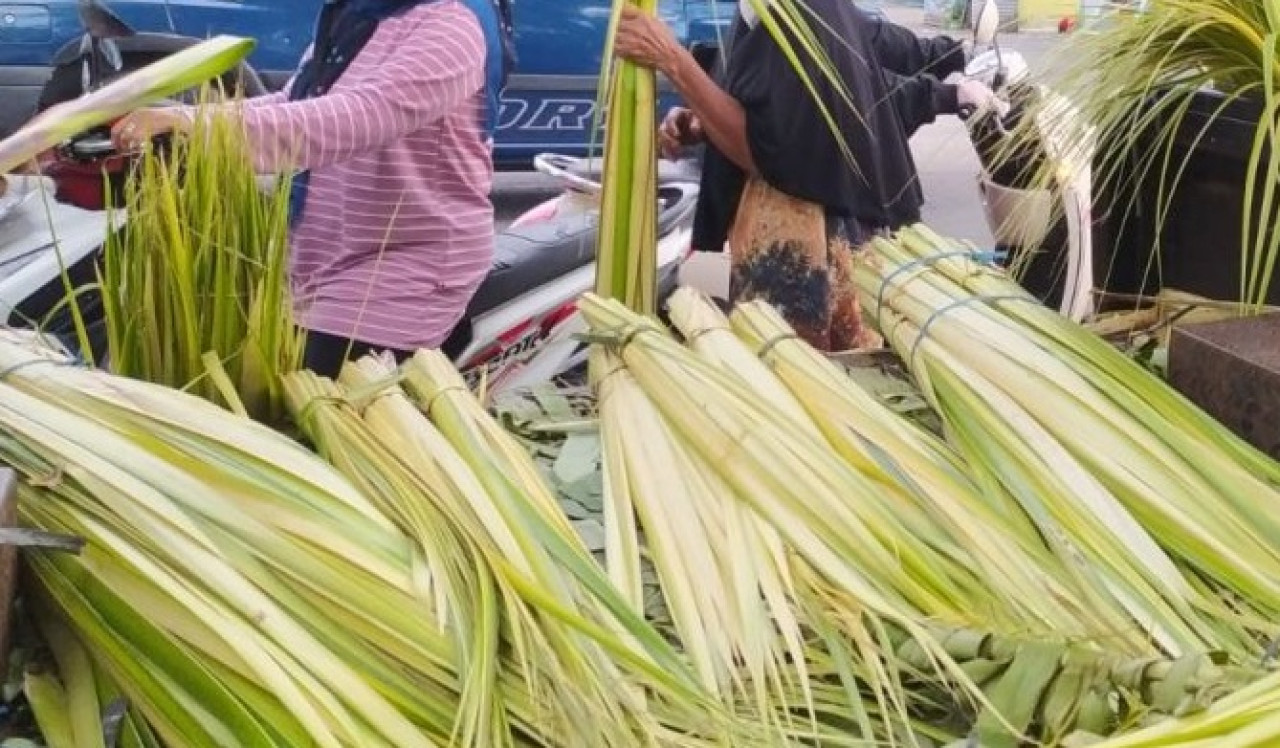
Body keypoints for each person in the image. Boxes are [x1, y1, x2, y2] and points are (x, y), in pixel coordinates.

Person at [109, 0, 515, 377]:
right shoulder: (361, 15)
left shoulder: (451, 22)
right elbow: (296, 99)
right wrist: (183, 118)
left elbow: (358, 117)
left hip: (399, 269)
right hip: (321, 259)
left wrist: (202, 129)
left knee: (312, 408)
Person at [614, 0, 999, 352]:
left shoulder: (802, 11)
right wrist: (703, 121)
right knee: (740, 347)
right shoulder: (762, 10)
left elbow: (765, 148)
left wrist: (674, 60)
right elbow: (764, 98)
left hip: (800, 248)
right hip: (756, 229)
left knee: (788, 369)